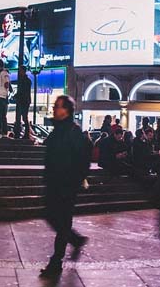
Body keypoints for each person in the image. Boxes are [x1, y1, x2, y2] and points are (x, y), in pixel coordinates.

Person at [39, 95, 91, 278]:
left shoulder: (73, 131)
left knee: (61, 223)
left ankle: (56, 262)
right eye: (55, 106)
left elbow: (83, 159)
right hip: (54, 183)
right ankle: (75, 239)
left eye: (59, 107)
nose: (55, 109)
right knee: (52, 217)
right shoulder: (58, 130)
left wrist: (76, 179)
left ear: (67, 110)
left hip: (66, 185)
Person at [14, 66, 32, 140]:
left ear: (23, 71)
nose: (19, 72)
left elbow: (22, 91)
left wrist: (16, 95)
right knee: (23, 117)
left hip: (23, 101)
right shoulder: (26, 80)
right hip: (24, 101)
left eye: (20, 70)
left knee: (23, 117)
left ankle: (23, 134)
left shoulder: (24, 80)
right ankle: (24, 134)